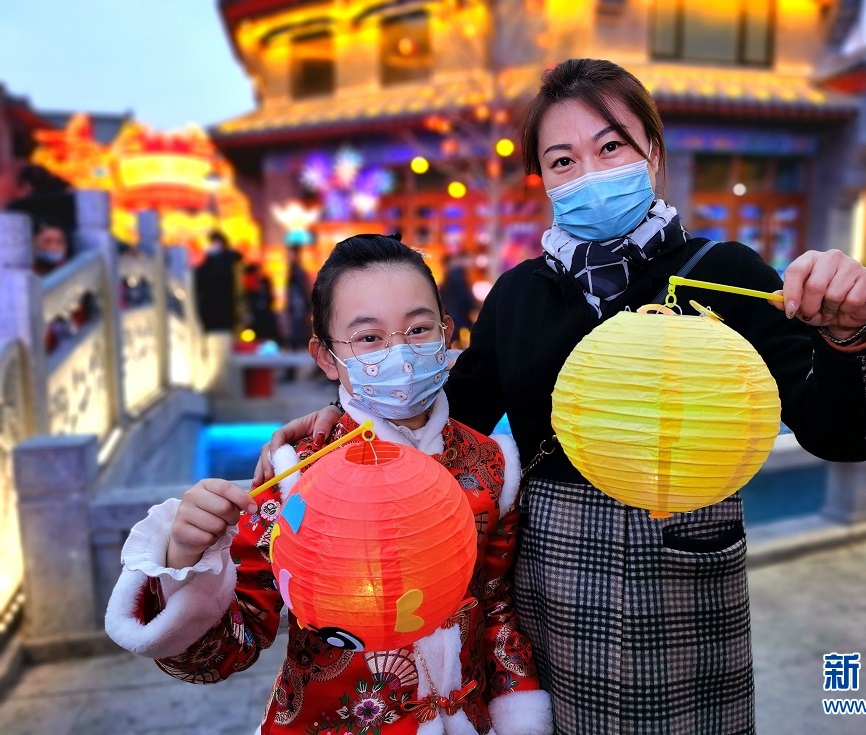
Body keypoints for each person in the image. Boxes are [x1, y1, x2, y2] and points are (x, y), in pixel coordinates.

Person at [253, 60, 866, 734]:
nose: (588, 173)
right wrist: (350, 418)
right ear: (544, 180)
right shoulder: (519, 295)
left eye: (610, 146)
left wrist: (850, 333)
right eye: (562, 160)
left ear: (652, 148)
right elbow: (446, 427)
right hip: (555, 581)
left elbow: (845, 433)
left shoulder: (726, 274)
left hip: (687, 575)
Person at [105, 234, 553, 735]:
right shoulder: (296, 476)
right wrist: (184, 561)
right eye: (369, 338)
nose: (399, 352)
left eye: (418, 328)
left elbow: (494, 607)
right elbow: (226, 650)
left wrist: (520, 716)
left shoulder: (491, 464)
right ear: (324, 356)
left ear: (447, 333)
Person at [193, 230, 242, 332]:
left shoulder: (228, 257)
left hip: (225, 301)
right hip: (210, 303)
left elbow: (237, 256)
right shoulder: (207, 261)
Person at [242, 262, 280, 343]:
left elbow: (270, 296)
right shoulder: (249, 281)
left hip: (265, 311)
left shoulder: (265, 281)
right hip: (255, 312)